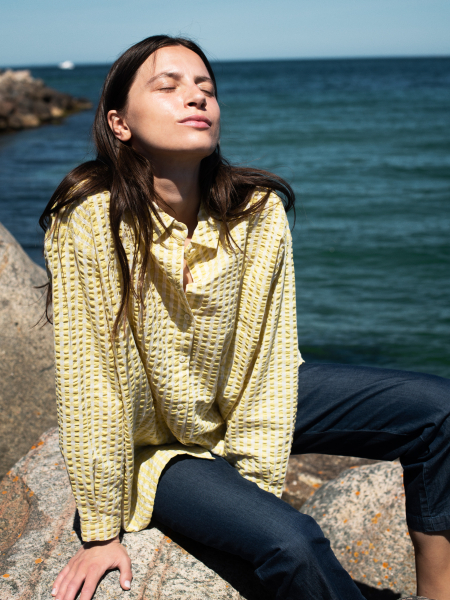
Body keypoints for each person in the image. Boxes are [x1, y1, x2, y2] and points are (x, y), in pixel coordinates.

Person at [40, 35, 450, 600]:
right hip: (155, 445)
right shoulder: (90, 220)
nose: (196, 98)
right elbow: (93, 383)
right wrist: (101, 532)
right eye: (169, 87)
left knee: (438, 410)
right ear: (120, 122)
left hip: (248, 397)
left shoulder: (256, 210)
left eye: (205, 88)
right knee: (293, 543)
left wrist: (252, 471)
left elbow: (270, 349)